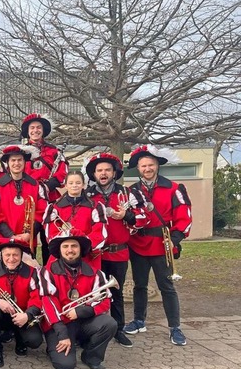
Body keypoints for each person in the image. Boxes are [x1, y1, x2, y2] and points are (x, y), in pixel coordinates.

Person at [123, 145, 192, 346]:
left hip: (163, 244)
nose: (147, 168)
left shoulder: (174, 188)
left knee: (166, 287)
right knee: (139, 285)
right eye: (143, 165)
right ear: (138, 168)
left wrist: (175, 239)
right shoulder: (131, 191)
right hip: (138, 244)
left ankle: (175, 327)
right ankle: (138, 320)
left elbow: (184, 216)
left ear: (157, 166)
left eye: (150, 165)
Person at [85, 152, 147, 348]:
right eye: (99, 170)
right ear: (94, 174)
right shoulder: (87, 195)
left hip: (118, 252)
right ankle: (92, 329)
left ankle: (118, 329)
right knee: (92, 293)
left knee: (116, 293)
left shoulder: (127, 193)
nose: (103, 173)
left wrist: (127, 216)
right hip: (94, 254)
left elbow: (143, 218)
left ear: (114, 173)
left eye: (107, 170)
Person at [38, 230, 118, 369]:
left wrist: (81, 311)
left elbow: (105, 301)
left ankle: (91, 357)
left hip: (82, 321)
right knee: (65, 366)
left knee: (109, 323)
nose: (70, 250)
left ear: (80, 249)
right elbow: (48, 302)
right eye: (65, 246)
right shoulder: (47, 271)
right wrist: (62, 335)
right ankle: (54, 347)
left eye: (74, 246)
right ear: (60, 250)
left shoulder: (95, 273)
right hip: (59, 325)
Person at [0, 238, 43, 368]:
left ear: (21, 256)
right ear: (1, 256)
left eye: (15, 255)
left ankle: (20, 338)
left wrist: (27, 315)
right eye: (7, 255)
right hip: (0, 316)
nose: (11, 259)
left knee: (35, 341)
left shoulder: (32, 272)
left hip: (22, 316)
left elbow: (37, 297)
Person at [21, 113, 69, 262]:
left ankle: (51, 271)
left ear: (43, 130)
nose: (35, 130)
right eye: (32, 128)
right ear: (28, 131)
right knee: (28, 240)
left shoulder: (54, 151)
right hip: (29, 201)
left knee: (50, 238)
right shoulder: (21, 151)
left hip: (50, 199)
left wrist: (48, 186)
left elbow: (62, 173)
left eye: (38, 127)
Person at [0, 145, 49, 254]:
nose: (17, 163)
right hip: (5, 240)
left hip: (28, 240)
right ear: (8, 163)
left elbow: (42, 213)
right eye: (13, 160)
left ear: (25, 162)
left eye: (20, 160)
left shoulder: (36, 185)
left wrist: (28, 234)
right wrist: (11, 236)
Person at [43, 171, 108, 270]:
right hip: (63, 254)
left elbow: (100, 233)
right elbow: (50, 234)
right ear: (65, 185)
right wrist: (68, 248)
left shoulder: (96, 206)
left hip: (87, 254)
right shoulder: (54, 207)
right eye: (71, 183)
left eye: (78, 183)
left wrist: (82, 246)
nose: (74, 186)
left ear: (83, 185)